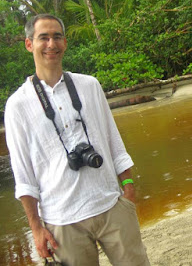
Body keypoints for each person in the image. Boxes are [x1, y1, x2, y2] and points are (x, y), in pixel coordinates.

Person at [4, 14, 150, 265]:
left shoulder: (90, 86)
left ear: (65, 43)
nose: (52, 44)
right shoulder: (17, 106)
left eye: (57, 37)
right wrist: (37, 229)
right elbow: (23, 175)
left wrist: (128, 187)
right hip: (62, 221)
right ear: (29, 44)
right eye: (44, 38)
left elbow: (114, 141)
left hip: (111, 205)